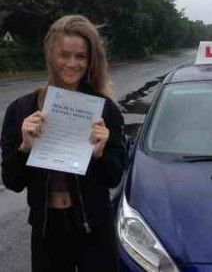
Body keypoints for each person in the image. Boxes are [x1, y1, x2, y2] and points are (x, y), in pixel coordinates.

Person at [1, 15, 126, 271]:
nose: (72, 63)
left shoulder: (105, 110)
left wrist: (100, 154)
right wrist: (24, 148)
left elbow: (113, 177)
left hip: (95, 228)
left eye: (80, 56)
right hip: (48, 231)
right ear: (50, 55)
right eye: (64, 55)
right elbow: (12, 181)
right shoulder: (21, 110)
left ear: (90, 60)